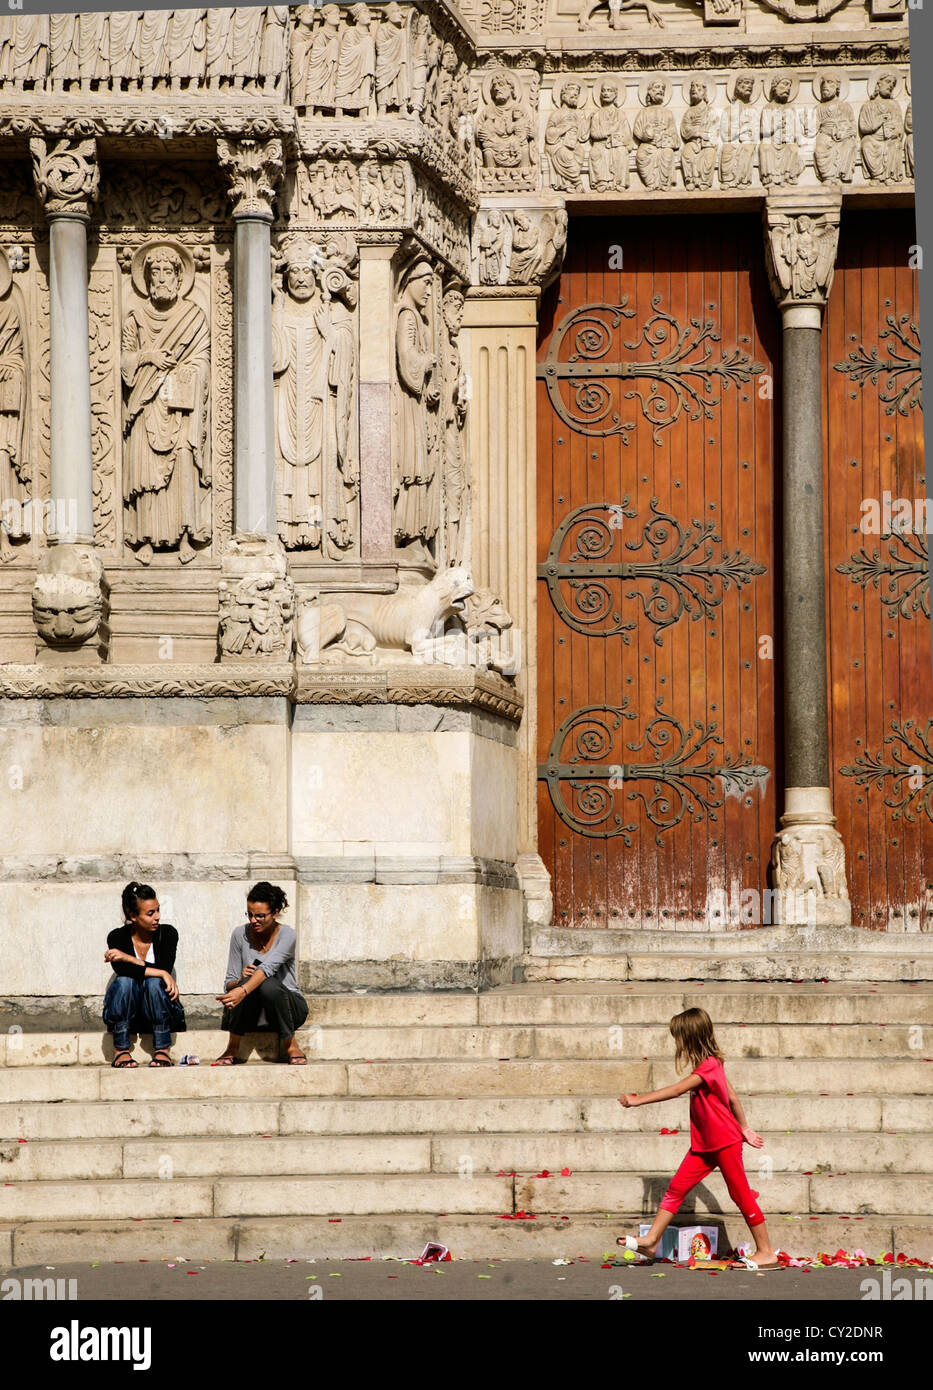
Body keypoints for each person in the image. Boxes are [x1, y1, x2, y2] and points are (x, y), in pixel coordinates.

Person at [616, 1007, 779, 1270]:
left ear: (690, 1038)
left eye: (678, 1037)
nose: (677, 1043)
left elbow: (677, 1089)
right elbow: (732, 1097)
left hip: (724, 1142)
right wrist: (745, 1127)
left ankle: (766, 1252)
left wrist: (637, 1101)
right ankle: (651, 1241)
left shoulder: (711, 1065)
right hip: (703, 1145)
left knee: (740, 1195)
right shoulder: (710, 1064)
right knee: (676, 1189)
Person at [213, 883, 309, 1065]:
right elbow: (229, 983)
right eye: (250, 914)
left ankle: (291, 1044)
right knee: (250, 981)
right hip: (252, 1011)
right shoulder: (239, 934)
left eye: (260, 916)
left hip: (288, 1009)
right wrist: (241, 981)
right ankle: (232, 1047)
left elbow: (268, 969)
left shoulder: (287, 935)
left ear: (275, 912)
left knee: (266, 983)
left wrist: (243, 989)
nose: (253, 920)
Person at [103, 882, 186, 1068]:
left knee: (154, 983)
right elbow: (122, 970)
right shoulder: (116, 937)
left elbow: (163, 966)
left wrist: (129, 958)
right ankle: (121, 1050)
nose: (157, 917)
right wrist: (133, 962)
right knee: (124, 982)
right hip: (128, 1010)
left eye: (157, 910)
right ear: (133, 916)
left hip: (160, 1010)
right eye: (150, 913)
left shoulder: (168, 934)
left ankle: (162, 1049)